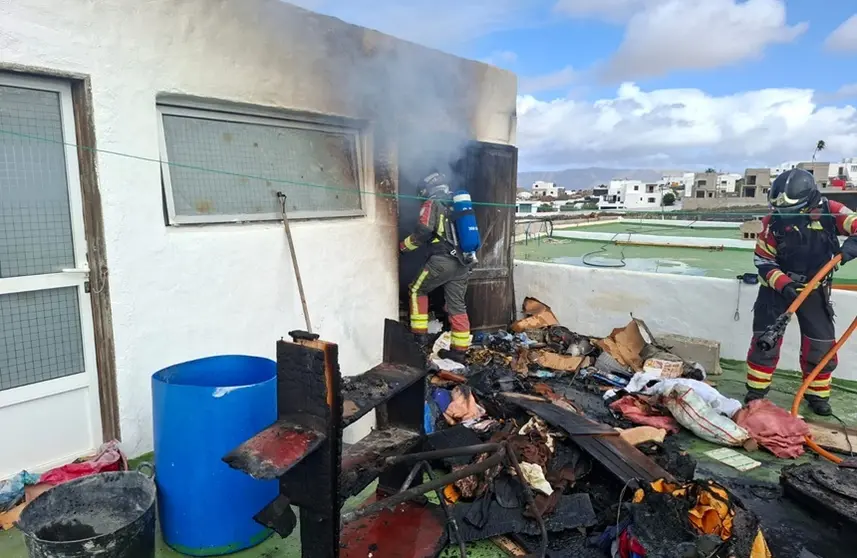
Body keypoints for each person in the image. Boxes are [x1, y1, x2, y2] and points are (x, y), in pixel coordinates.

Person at [746, 168, 857, 416]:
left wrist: (852, 245)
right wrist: (785, 285)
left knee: (821, 344)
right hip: (776, 290)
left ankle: (817, 396)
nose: (783, 216)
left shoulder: (831, 212)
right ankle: (755, 392)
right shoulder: (771, 224)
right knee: (765, 342)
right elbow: (763, 261)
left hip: (814, 289)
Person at [400, 172, 473, 360]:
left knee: (417, 290)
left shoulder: (432, 202)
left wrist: (403, 246)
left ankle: (418, 340)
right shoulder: (457, 203)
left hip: (442, 261)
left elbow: (424, 230)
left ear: (427, 188)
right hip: (463, 262)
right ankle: (459, 352)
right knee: (457, 305)